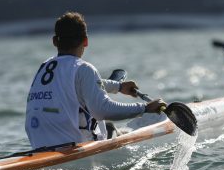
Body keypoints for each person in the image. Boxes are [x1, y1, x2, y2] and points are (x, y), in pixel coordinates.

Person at [25, 12, 166, 150]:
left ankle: (111, 131)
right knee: (104, 122)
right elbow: (102, 110)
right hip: (71, 149)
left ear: (55, 41)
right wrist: (144, 108)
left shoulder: (44, 67)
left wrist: (118, 86)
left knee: (103, 123)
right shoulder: (83, 68)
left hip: (39, 147)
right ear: (85, 41)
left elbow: (75, 87)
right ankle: (112, 133)